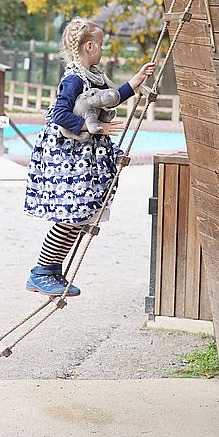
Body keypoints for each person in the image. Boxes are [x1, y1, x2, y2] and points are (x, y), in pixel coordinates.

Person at [24, 17, 155, 297]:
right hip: (70, 159)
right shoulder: (73, 78)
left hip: (86, 157)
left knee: (83, 217)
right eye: (102, 45)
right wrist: (96, 127)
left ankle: (52, 270)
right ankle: (42, 272)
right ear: (90, 45)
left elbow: (110, 97)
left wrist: (136, 80)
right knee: (72, 215)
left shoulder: (93, 75)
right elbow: (59, 115)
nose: (104, 50)